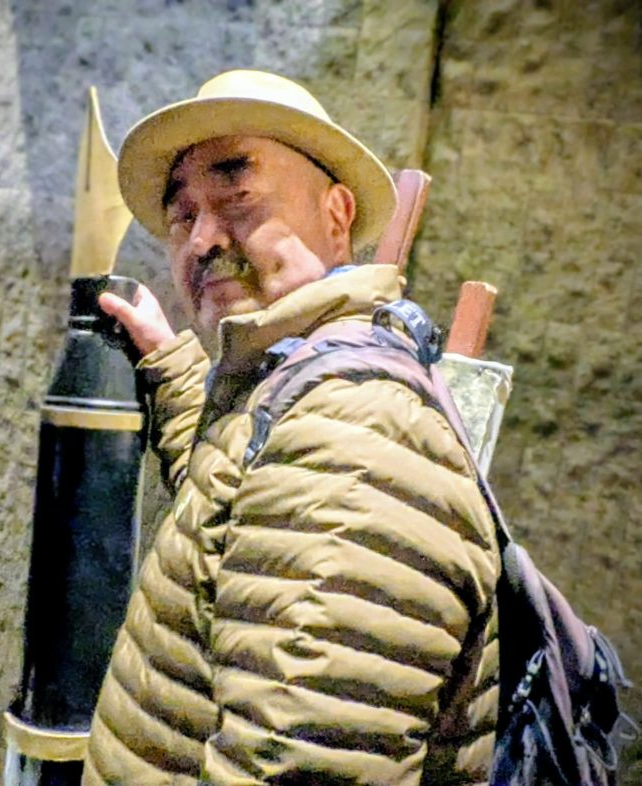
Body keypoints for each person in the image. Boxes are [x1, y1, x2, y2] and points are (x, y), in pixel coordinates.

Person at [83, 70, 501, 784]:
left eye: (237, 196)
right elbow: (234, 505)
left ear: (336, 215)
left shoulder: (354, 441)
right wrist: (177, 369)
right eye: (183, 216)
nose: (203, 239)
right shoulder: (293, 388)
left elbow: (293, 764)